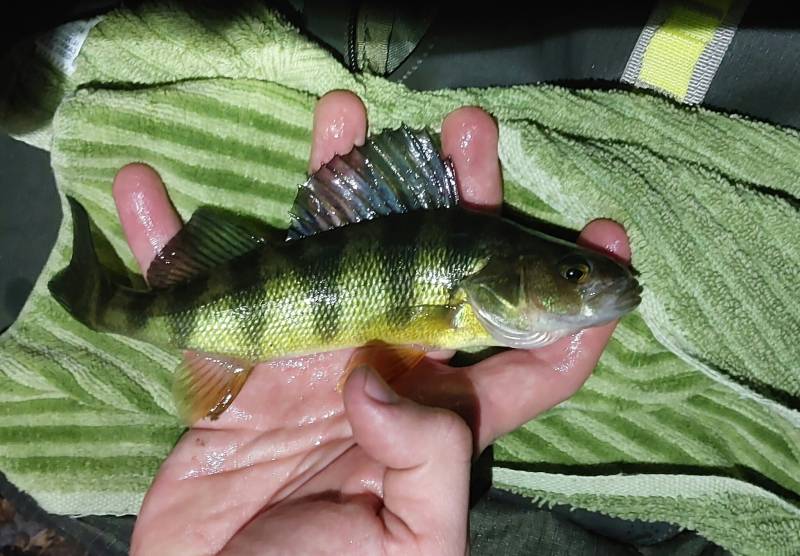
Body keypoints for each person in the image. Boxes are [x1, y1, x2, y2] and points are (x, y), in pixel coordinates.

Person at [113, 90, 631, 555]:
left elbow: (387, 355)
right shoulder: (467, 291)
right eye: (572, 273)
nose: (586, 283)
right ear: (505, 276)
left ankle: (110, 306)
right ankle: (108, 305)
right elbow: (385, 358)